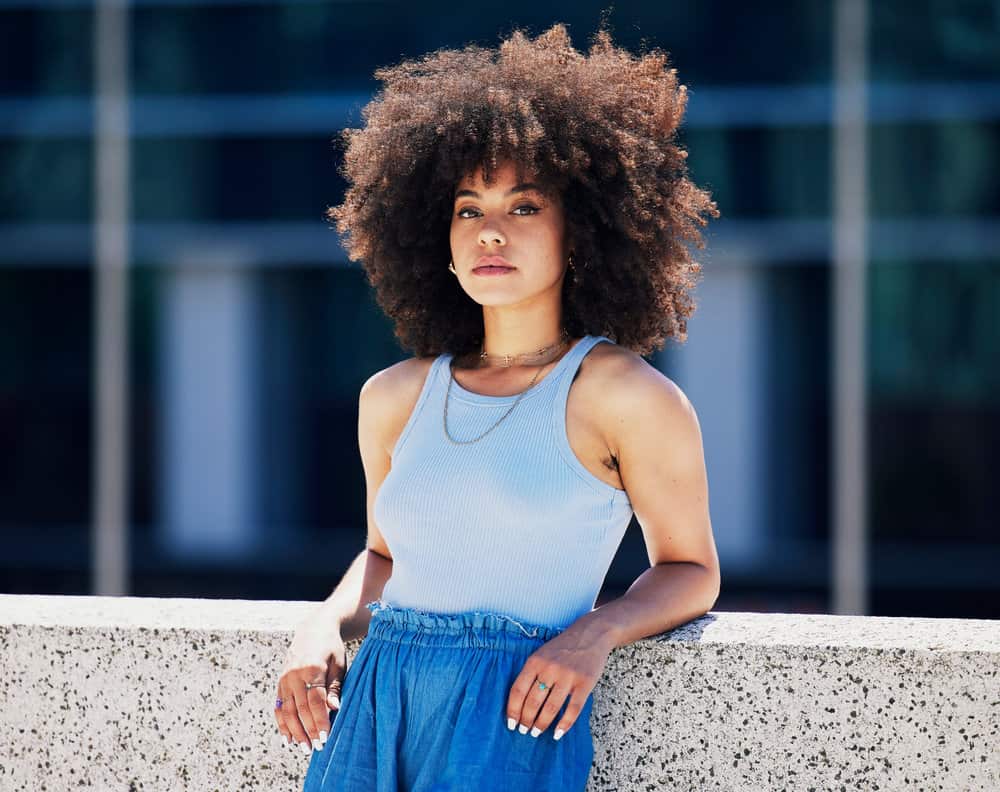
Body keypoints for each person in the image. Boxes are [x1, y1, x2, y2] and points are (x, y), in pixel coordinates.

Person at [275, 21, 721, 791]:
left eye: (523, 208)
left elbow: (690, 570)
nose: (490, 233)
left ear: (578, 233)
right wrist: (321, 627)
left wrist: (597, 634)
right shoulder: (392, 397)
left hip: (515, 707)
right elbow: (383, 557)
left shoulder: (624, 394)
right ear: (437, 241)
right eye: (467, 209)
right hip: (374, 703)